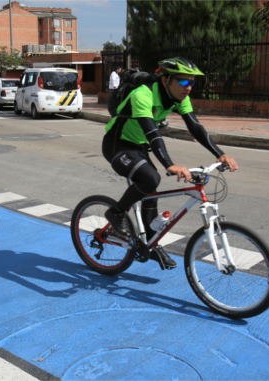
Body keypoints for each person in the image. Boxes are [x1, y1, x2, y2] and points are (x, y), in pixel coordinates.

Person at [102, 57, 238, 270]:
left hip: (139, 146)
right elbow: (152, 132)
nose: (189, 87)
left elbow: (195, 126)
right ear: (166, 80)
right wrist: (169, 164)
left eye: (192, 82)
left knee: (150, 189)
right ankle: (117, 212)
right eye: (183, 82)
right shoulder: (143, 94)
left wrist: (219, 154)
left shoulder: (179, 97)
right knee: (151, 178)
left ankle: (150, 243)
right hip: (117, 145)